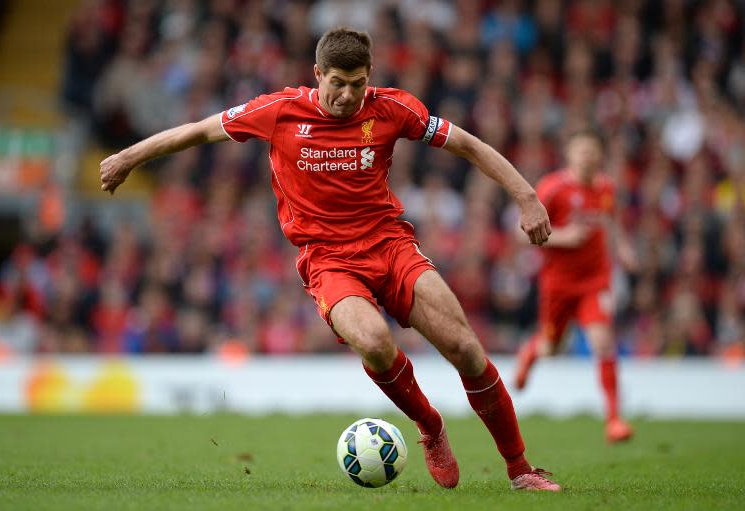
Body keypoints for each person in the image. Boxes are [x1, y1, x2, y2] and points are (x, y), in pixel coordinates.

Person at [100, 27, 559, 491]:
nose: (346, 95)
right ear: (317, 74)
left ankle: (520, 469)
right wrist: (128, 157)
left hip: (389, 244)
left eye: (357, 84)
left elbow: (470, 146)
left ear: (369, 76)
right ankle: (430, 426)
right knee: (375, 342)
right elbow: (199, 130)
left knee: (465, 348)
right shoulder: (278, 111)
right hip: (327, 260)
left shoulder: (392, 107)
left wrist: (527, 197)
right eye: (337, 82)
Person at [513, 129, 634, 443]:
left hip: (595, 279)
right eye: (582, 152)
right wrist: (565, 237)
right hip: (559, 284)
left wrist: (623, 248)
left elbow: (611, 221)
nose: (588, 159)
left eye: (593, 153)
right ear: (570, 155)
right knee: (551, 347)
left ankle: (614, 419)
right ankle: (531, 353)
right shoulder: (553, 188)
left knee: (603, 342)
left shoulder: (606, 187)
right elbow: (522, 231)